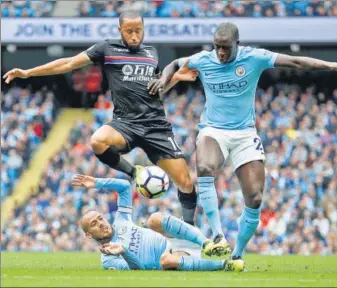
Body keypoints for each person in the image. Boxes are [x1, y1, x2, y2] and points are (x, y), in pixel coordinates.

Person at [148, 22, 337, 260]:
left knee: (255, 198)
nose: (220, 52)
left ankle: (238, 254)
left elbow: (295, 61)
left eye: (225, 48)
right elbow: (174, 64)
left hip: (244, 134)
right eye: (217, 47)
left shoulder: (254, 57)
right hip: (213, 129)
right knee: (205, 166)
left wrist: (332, 66)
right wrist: (163, 78)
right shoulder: (204, 59)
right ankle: (218, 235)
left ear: (236, 45)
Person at [3, 10, 198, 226]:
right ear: (119, 30)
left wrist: (175, 78)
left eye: (138, 31)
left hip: (156, 126)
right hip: (125, 124)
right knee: (97, 140)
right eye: (129, 31)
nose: (134, 36)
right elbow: (68, 64)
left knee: (186, 182)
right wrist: (28, 73)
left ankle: (190, 230)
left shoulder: (151, 53)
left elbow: (155, 89)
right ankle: (134, 173)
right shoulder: (107, 48)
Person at [72, 174, 245, 271]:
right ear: (88, 234)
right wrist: (123, 251)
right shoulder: (108, 261)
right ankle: (225, 265)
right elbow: (137, 269)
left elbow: (125, 186)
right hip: (172, 259)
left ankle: (207, 243)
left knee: (153, 219)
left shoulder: (121, 220)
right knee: (166, 260)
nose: (101, 223)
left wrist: (97, 183)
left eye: (100, 218)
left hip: (175, 239)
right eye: (94, 224)